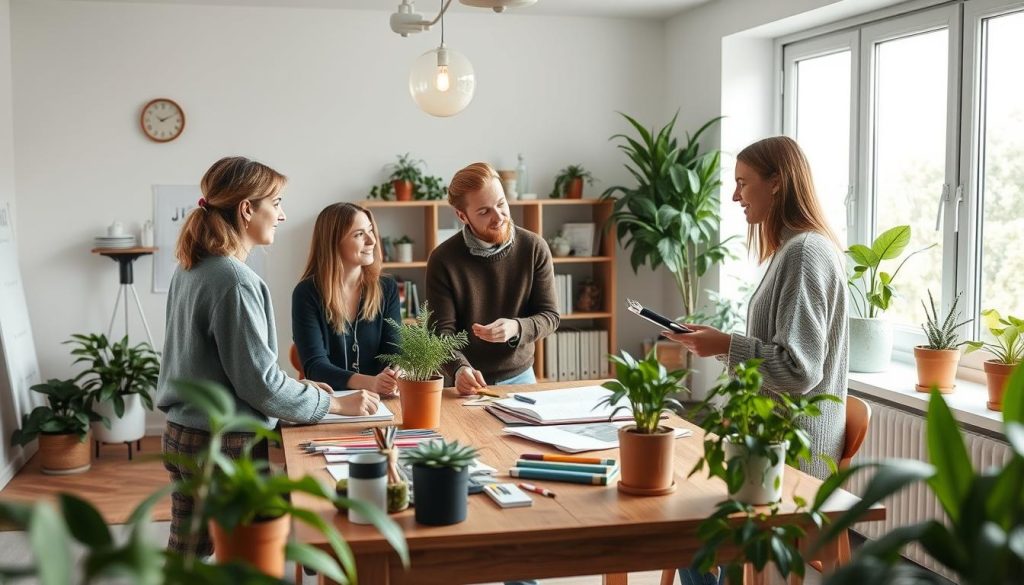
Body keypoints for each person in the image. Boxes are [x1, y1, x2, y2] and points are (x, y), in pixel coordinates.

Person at [156, 156, 380, 557]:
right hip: (222, 445)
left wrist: (301, 388)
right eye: (275, 203)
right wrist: (333, 402)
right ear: (247, 210)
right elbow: (259, 384)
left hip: (184, 434)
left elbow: (229, 368)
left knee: (187, 557)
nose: (281, 214)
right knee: (243, 561)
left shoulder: (192, 267)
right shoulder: (234, 280)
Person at [668, 136, 848, 584]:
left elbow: (798, 370)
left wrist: (726, 345)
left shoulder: (805, 254)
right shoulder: (792, 251)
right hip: (769, 437)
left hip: (791, 449)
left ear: (777, 183)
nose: (734, 196)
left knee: (683, 524)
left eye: (742, 184)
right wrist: (721, 344)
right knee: (678, 504)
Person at [426, 161, 560, 393]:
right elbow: (440, 334)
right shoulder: (442, 259)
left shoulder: (534, 247)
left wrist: (517, 328)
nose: (499, 217)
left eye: (501, 204)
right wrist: (459, 369)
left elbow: (550, 316)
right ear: (462, 215)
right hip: (464, 381)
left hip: (520, 377)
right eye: (484, 211)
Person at [292, 202, 402, 395]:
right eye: (359, 234)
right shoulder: (306, 293)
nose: (372, 241)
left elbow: (394, 350)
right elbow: (315, 366)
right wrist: (371, 383)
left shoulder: (387, 288)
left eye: (370, 231)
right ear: (333, 242)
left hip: (380, 402)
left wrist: (395, 372)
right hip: (331, 403)